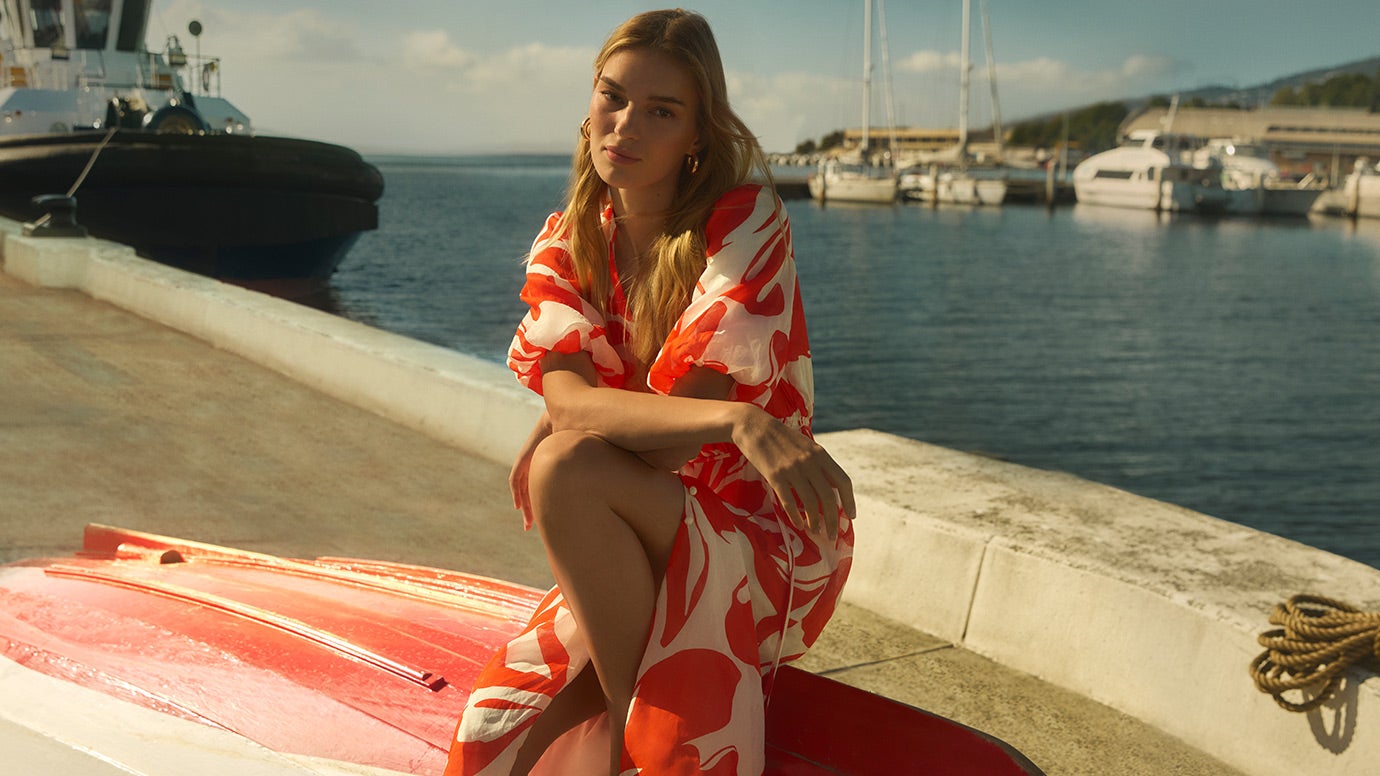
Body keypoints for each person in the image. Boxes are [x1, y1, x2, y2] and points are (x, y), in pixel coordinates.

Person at [446, 9, 855, 775]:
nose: (625, 126)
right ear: (589, 104)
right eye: (613, 97)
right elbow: (573, 406)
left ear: (697, 136)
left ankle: (629, 744)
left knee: (563, 467)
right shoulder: (569, 240)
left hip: (756, 542)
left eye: (661, 111)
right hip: (638, 522)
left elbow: (665, 446)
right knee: (492, 735)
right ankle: (632, 718)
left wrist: (598, 426)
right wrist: (734, 417)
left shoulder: (744, 226)